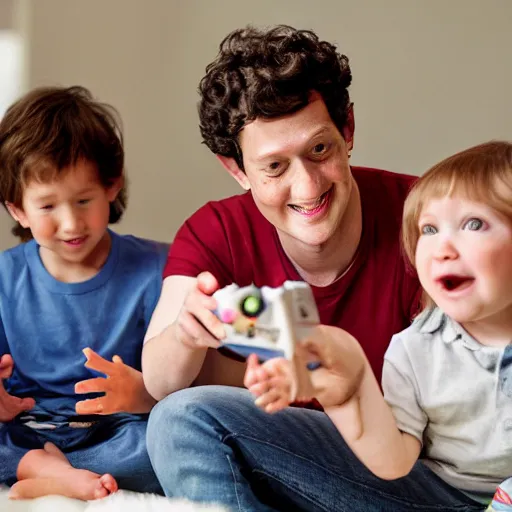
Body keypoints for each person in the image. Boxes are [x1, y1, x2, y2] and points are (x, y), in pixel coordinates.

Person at [143, 25, 421, 510]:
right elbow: (161, 383)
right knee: (177, 418)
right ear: (235, 168)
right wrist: (187, 335)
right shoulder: (216, 232)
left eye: (320, 150)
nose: (308, 186)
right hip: (305, 459)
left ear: (347, 130)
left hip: (417, 469)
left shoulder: (426, 216)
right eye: (274, 167)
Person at [246, 140, 512, 511]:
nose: (442, 249)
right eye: (429, 230)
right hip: (441, 496)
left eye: (473, 224)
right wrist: (346, 395)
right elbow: (395, 460)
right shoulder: (414, 349)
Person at [0, 86, 166, 500]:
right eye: (48, 207)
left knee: (173, 440)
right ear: (17, 209)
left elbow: (179, 382)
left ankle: (59, 474)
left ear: (112, 186)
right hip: (25, 430)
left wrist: (143, 393)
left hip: (116, 430)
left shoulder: (155, 270)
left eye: (84, 200)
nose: (72, 224)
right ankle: (43, 469)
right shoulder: (5, 277)